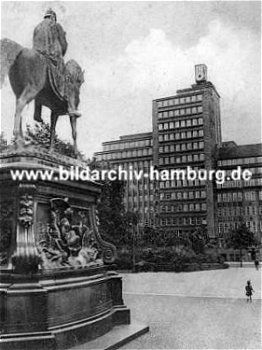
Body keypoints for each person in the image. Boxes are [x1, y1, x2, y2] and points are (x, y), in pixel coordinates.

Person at [33, 9, 80, 118]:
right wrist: (61, 51)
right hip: (51, 56)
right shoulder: (56, 25)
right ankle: (69, 104)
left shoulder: (37, 27)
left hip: (36, 57)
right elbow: (63, 45)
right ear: (53, 17)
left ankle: (37, 111)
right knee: (66, 75)